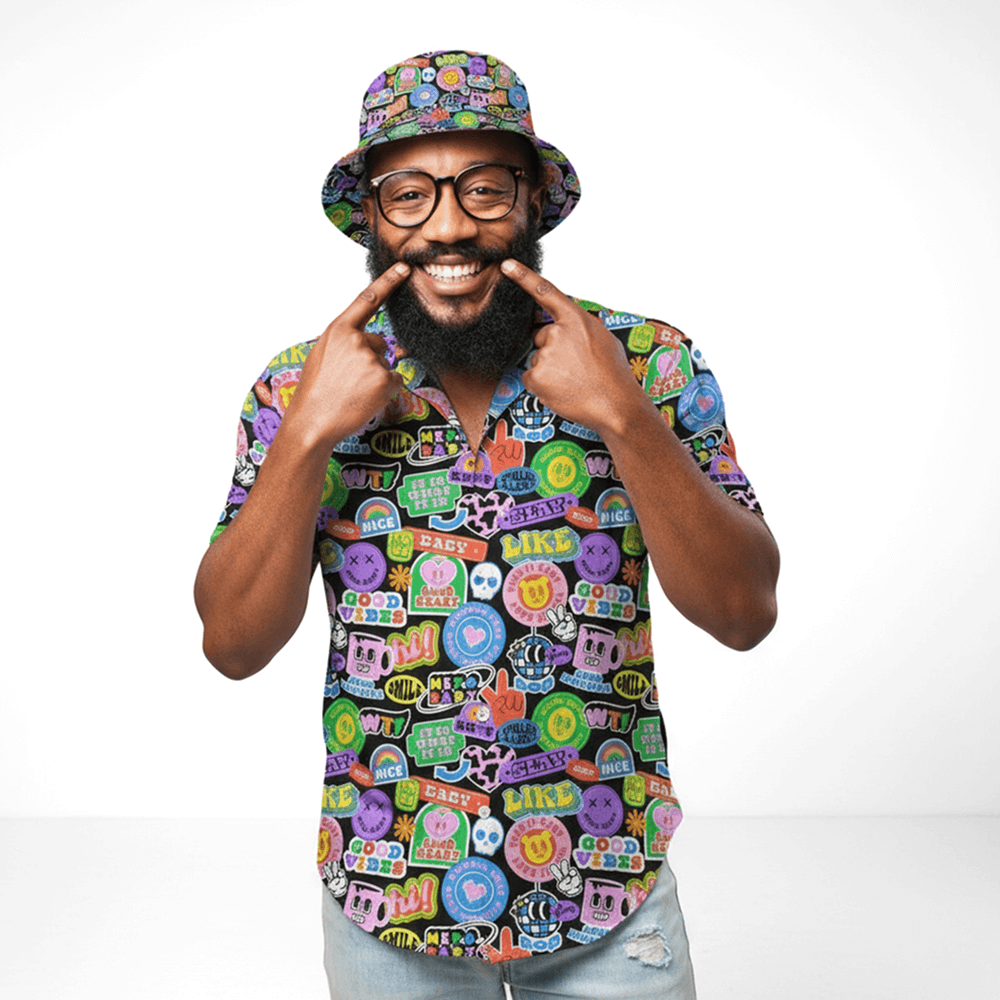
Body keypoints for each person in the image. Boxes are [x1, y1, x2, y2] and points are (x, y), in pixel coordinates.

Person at [195, 48, 779, 1000]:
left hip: (607, 888)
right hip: (390, 899)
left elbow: (745, 613)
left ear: (534, 201)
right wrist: (307, 436)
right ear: (374, 218)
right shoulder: (300, 385)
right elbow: (231, 644)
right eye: (410, 195)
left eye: (483, 188)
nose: (450, 226)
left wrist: (622, 416)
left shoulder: (649, 361)